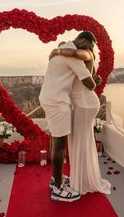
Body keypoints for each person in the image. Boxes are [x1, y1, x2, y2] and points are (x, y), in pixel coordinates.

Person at [49, 38, 111, 195]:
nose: (92, 48)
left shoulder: (86, 53)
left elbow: (77, 53)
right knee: (79, 141)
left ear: (84, 41)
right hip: (82, 103)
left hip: (85, 104)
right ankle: (81, 178)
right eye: (92, 45)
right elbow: (87, 81)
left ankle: (82, 181)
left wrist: (57, 51)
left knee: (80, 141)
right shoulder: (78, 62)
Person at [39, 31, 96, 202]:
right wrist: (93, 78)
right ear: (83, 41)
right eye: (91, 46)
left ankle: (55, 179)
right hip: (58, 102)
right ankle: (58, 189)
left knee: (55, 141)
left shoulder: (63, 48)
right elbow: (89, 84)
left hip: (51, 98)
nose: (91, 50)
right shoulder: (72, 55)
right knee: (59, 144)